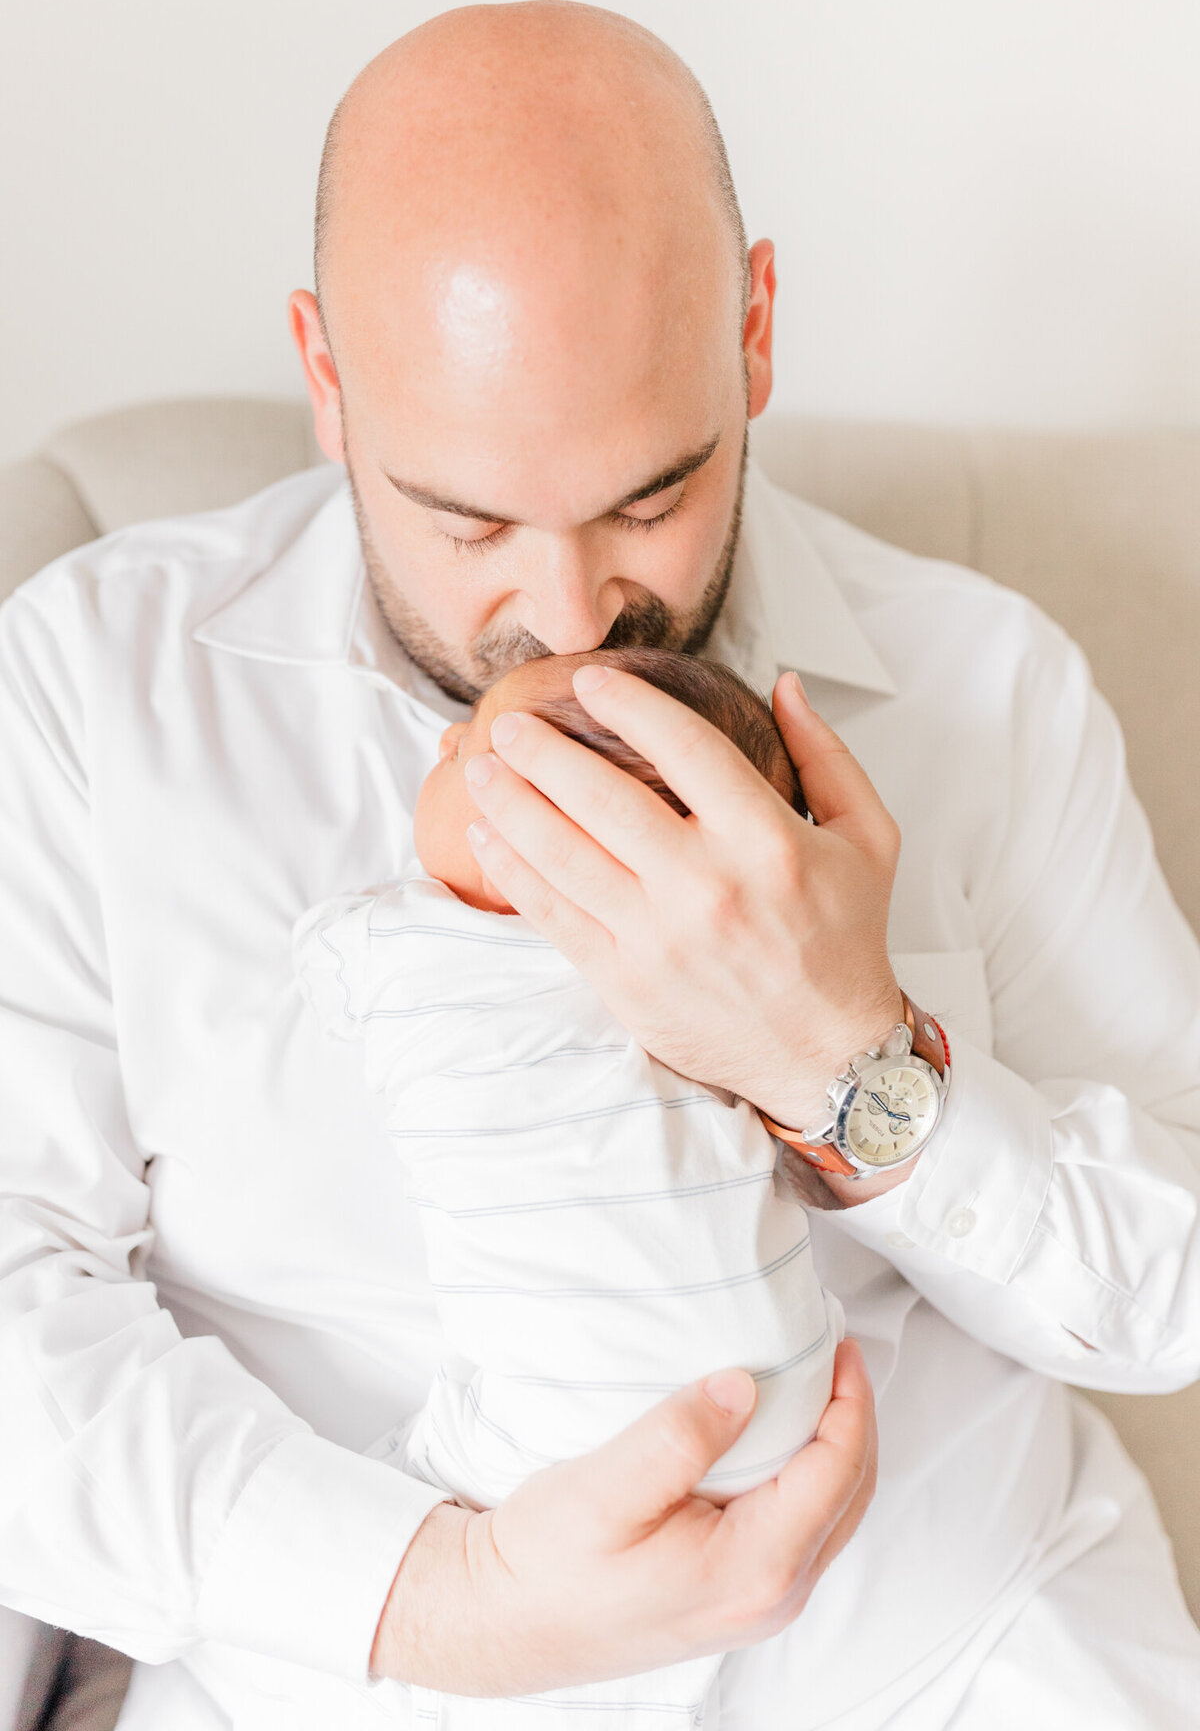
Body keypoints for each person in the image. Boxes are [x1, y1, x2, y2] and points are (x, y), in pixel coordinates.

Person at [0, 0, 1198, 1731]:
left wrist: (851, 1070)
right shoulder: (90, 694)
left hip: (956, 1656)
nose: (568, 616)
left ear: (756, 332)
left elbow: (1175, 1292)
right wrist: (440, 1602)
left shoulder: (987, 684)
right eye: (469, 522)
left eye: (653, 496)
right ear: (326, 380)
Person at [292, 646, 846, 1729]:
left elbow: (322, 966)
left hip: (568, 1434)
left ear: (550, 834)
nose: (441, 742)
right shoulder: (686, 966)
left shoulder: (402, 946)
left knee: (404, 1496)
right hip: (787, 1408)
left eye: (473, 755)